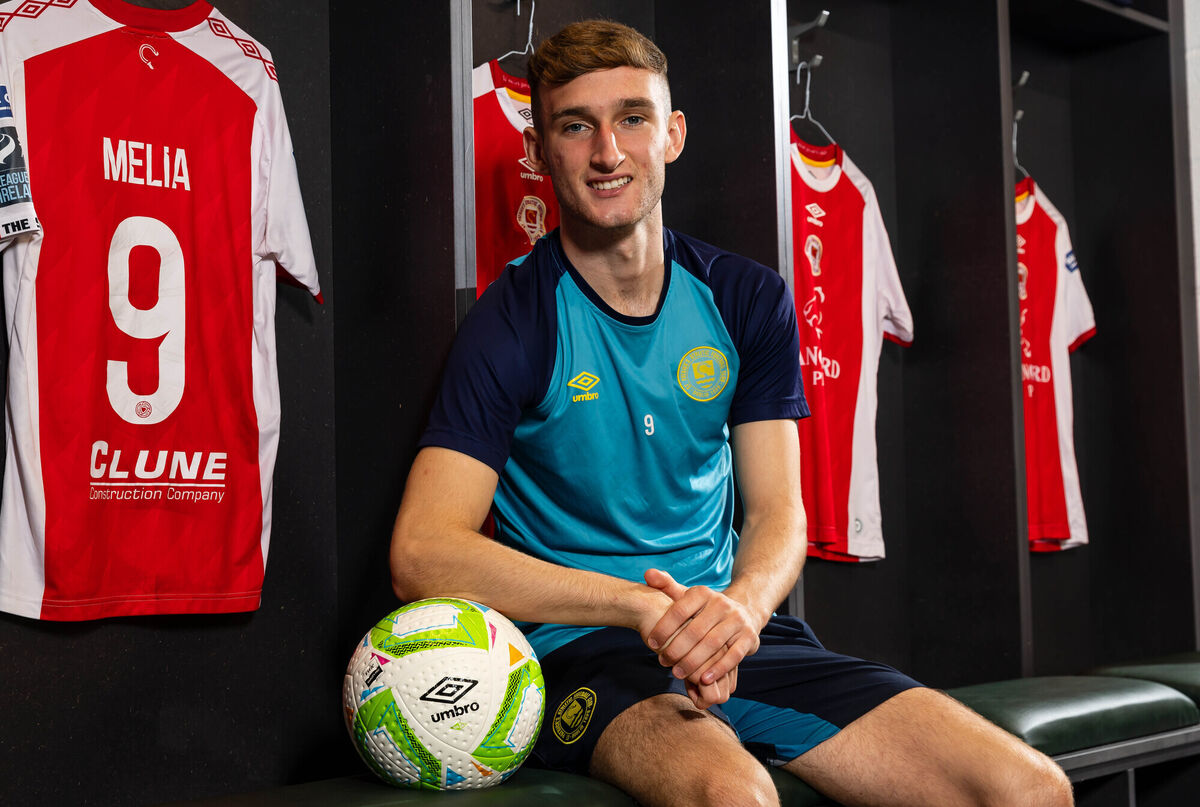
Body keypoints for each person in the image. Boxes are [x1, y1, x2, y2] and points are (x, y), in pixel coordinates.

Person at [391, 20, 1072, 807]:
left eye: (632, 118)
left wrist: (740, 612)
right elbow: (422, 550)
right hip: (584, 650)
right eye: (576, 127)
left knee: (1029, 789)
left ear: (673, 134)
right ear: (540, 152)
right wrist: (638, 605)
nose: (608, 152)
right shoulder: (512, 321)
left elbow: (780, 510)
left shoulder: (745, 298)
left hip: (735, 632)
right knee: (734, 798)